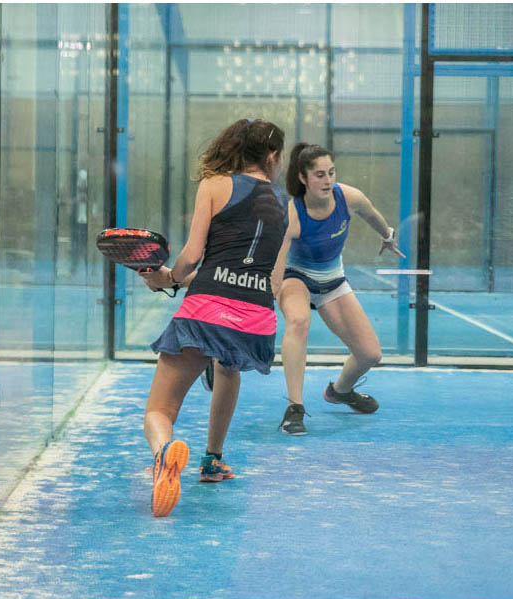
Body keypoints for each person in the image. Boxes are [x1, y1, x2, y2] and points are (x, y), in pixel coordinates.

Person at [139, 118, 287, 517]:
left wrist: (167, 279)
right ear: (272, 156)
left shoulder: (214, 185)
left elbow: (192, 257)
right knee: (228, 369)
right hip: (256, 320)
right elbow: (266, 278)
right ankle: (213, 459)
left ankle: (165, 454)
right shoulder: (285, 204)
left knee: (158, 411)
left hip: (205, 312)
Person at [272, 143, 404, 436]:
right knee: (298, 321)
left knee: (370, 354)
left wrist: (387, 236)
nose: (328, 180)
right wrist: (270, 294)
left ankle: (340, 391)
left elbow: (372, 214)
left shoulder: (349, 197)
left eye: (331, 173)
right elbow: (278, 263)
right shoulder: (293, 212)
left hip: (332, 280)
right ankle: (294, 408)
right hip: (296, 277)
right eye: (319, 175)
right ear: (303, 178)